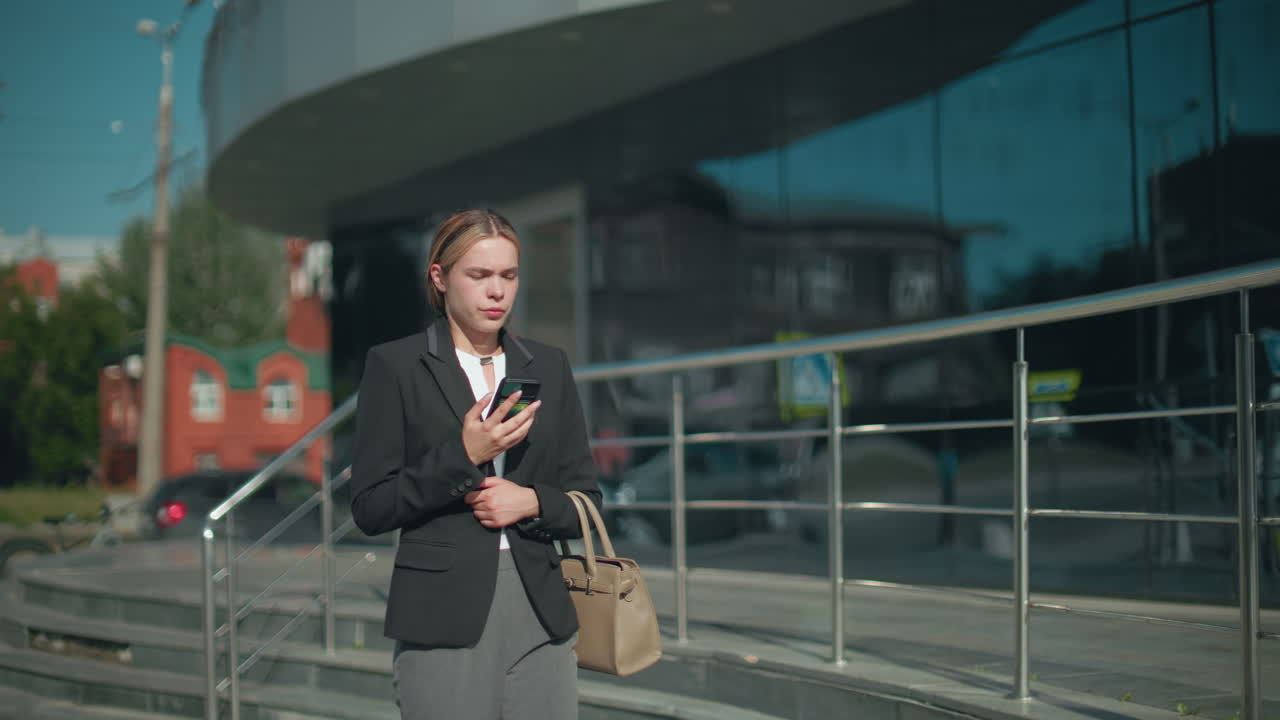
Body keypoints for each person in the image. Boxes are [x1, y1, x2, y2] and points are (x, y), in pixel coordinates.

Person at [349, 208, 600, 720]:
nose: (497, 292)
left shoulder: (548, 365)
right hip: (442, 612)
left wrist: (530, 501)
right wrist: (464, 457)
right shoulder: (395, 365)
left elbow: (586, 500)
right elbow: (370, 507)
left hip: (540, 608)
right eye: (479, 275)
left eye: (508, 276)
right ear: (439, 278)